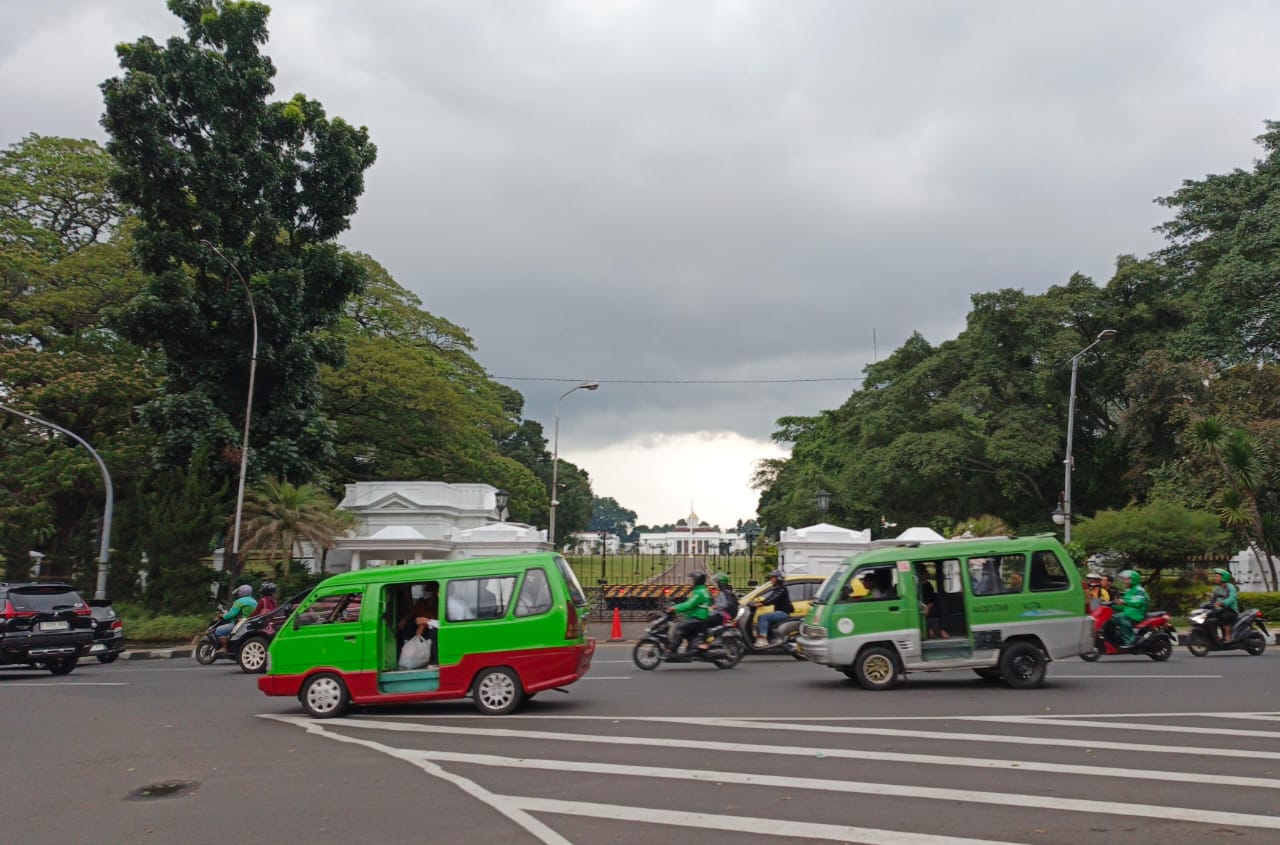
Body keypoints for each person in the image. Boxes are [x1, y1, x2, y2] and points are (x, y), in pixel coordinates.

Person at [667, 571, 711, 656]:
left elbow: (689, 604)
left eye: (693, 579)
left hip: (697, 617)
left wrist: (675, 608)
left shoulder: (699, 592)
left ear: (697, 580)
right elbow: (690, 603)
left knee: (680, 628)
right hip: (698, 616)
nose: (692, 581)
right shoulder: (702, 590)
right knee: (687, 631)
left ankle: (672, 650)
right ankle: (691, 648)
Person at [398, 584, 439, 668]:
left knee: (433, 633)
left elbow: (436, 619)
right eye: (425, 591)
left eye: (428, 591)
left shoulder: (438, 603)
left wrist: (424, 625)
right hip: (420, 625)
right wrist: (404, 619)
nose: (426, 593)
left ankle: (433, 660)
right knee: (409, 625)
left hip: (432, 627)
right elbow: (412, 614)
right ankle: (407, 647)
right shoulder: (421, 602)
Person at [1104, 569, 1148, 647]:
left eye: (1127, 579)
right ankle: (1112, 639)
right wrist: (1112, 605)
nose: (1125, 581)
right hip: (1128, 612)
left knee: (1121, 618)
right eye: (1125, 579)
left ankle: (1131, 640)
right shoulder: (1129, 590)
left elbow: (1138, 602)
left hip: (1136, 613)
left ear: (1133, 579)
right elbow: (1123, 605)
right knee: (1109, 618)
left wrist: (1125, 602)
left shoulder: (1139, 589)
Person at [752, 569, 793, 648]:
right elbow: (770, 598)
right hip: (779, 612)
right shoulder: (777, 589)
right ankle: (769, 638)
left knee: (764, 617)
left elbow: (773, 598)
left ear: (778, 578)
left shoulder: (782, 589)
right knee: (761, 618)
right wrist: (760, 601)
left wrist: (762, 603)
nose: (771, 579)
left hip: (783, 613)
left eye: (773, 577)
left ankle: (763, 639)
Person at [698, 572, 739, 651]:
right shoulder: (723, 591)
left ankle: (705, 642)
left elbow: (725, 604)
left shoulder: (725, 592)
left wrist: (715, 606)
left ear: (721, 583)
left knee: (704, 621)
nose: (715, 584)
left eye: (717, 582)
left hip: (722, 615)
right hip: (719, 613)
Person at [215, 584, 258, 651]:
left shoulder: (239, 602)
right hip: (249, 623)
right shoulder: (254, 601)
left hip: (238, 624)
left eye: (239, 592)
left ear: (242, 592)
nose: (238, 594)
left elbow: (232, 614)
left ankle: (224, 648)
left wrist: (222, 616)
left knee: (219, 631)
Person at [1207, 568, 1239, 644]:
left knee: (1225, 616)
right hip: (1220, 609)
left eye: (1217, 577)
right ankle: (1215, 636)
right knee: (1210, 617)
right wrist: (1210, 598)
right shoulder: (1217, 588)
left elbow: (1232, 597)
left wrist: (1223, 603)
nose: (1215, 578)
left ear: (1224, 577)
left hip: (1231, 610)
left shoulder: (1230, 587)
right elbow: (1214, 598)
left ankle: (1228, 636)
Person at [917, 565, 948, 638]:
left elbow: (933, 599)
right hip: (920, 607)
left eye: (926, 571)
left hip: (929, 607)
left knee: (943, 605)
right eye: (925, 572)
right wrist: (924, 606)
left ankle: (943, 630)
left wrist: (928, 607)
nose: (927, 573)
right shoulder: (914, 586)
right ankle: (928, 630)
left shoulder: (928, 584)